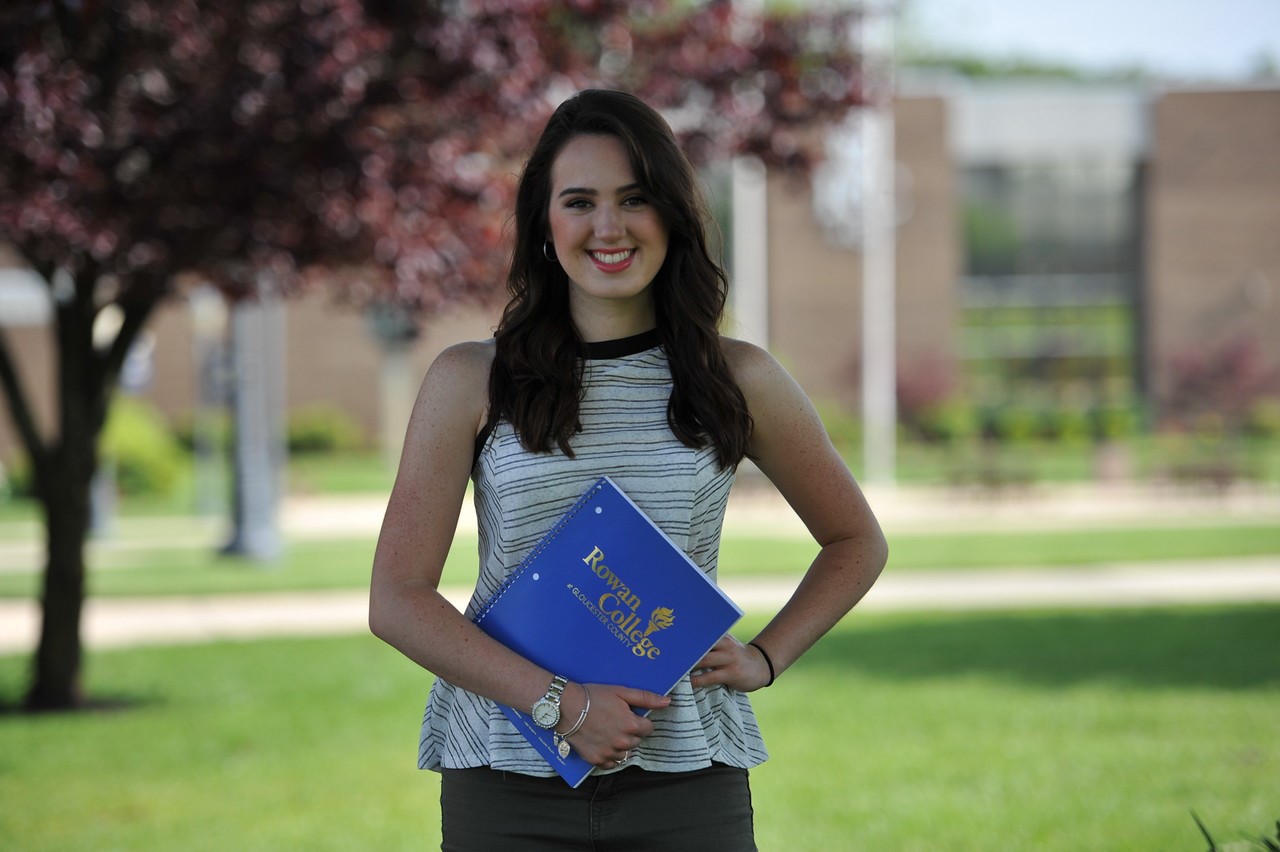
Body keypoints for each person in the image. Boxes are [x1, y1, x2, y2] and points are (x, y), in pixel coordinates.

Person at [369, 88, 888, 851]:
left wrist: (766, 658)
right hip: (507, 783)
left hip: (686, 781)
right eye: (579, 201)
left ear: (672, 215)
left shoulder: (737, 378)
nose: (607, 227)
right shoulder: (469, 380)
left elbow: (855, 541)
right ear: (544, 226)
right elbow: (398, 600)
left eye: (634, 199)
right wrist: (563, 704)